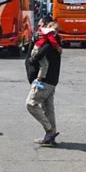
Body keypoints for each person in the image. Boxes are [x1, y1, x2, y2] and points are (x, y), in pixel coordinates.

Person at [25, 16, 62, 146]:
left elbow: (40, 54)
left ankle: (50, 130)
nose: (38, 26)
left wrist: (33, 60)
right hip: (51, 80)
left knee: (31, 104)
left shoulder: (49, 40)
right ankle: (50, 137)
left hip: (44, 80)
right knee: (48, 108)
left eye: (40, 23)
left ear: (46, 25)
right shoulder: (53, 39)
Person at [31, 20, 62, 84]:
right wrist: (58, 48)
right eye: (55, 29)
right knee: (44, 65)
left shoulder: (42, 30)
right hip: (38, 49)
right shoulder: (49, 32)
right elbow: (53, 41)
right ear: (50, 26)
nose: (55, 31)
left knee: (43, 64)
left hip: (36, 48)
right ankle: (38, 80)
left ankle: (39, 78)